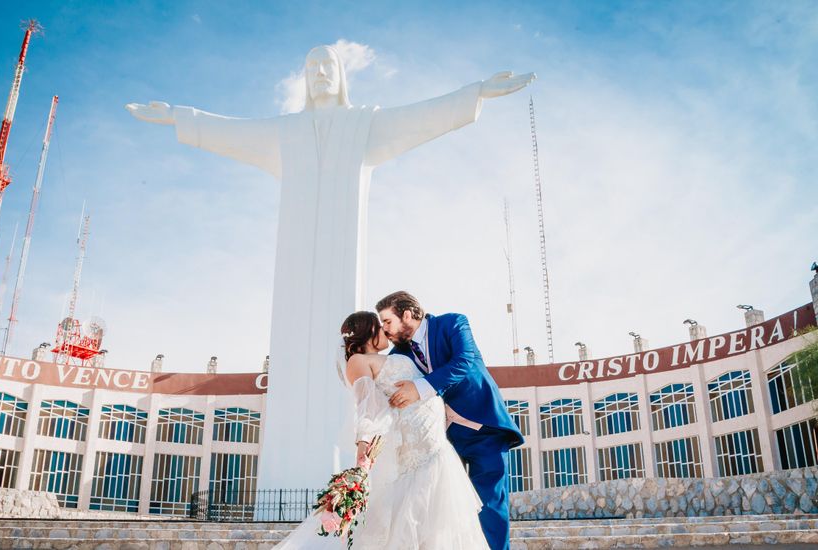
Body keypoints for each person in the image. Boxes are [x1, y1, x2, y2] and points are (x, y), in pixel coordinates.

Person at [126, 45, 535, 491]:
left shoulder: (363, 125)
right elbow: (233, 131)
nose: (320, 73)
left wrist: (474, 94)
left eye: (328, 66)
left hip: (345, 260)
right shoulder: (285, 132)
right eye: (311, 67)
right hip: (294, 273)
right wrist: (181, 118)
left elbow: (421, 116)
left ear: (341, 76)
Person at [275, 311, 488, 549]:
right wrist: (363, 449)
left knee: (437, 524)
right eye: (379, 326)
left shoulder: (392, 355)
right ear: (367, 332)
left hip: (431, 442)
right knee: (417, 518)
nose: (385, 329)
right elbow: (368, 408)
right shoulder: (358, 361)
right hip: (416, 450)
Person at [376, 291, 523, 550]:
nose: (384, 330)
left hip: (483, 427)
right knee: (443, 508)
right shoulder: (398, 355)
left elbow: (464, 362)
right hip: (440, 438)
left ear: (407, 314)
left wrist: (419, 387)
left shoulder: (453, 323)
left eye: (387, 321)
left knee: (489, 503)